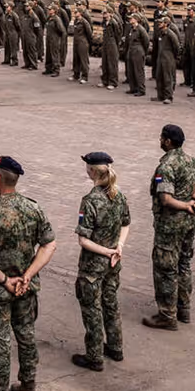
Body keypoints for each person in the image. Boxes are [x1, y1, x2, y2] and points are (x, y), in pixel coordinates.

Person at [0, 156, 56, 391]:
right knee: (27, 335)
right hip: (26, 288)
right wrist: (28, 275)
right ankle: (28, 389)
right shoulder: (33, 208)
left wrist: (7, 281)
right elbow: (49, 244)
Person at [71, 152, 130, 372]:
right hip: (113, 263)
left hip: (93, 266)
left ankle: (94, 356)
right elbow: (126, 224)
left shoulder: (90, 201)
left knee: (92, 309)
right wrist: (119, 247)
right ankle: (115, 347)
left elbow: (83, 240)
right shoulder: (118, 195)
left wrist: (106, 251)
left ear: (92, 171)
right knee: (111, 303)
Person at [143, 124, 195, 330]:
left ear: (168, 141)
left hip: (170, 226)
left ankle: (167, 315)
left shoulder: (166, 167)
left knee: (166, 269)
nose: (160, 140)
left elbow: (166, 199)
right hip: (189, 224)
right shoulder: (190, 160)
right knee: (184, 264)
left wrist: (185, 205)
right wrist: (194, 200)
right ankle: (183, 308)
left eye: (162, 138)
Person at [154, 16, 180, 103]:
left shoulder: (170, 34)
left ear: (166, 24)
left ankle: (168, 97)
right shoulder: (160, 33)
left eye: (161, 23)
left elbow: (177, 47)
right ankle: (160, 96)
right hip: (160, 58)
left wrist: (174, 57)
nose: (159, 24)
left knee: (167, 77)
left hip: (168, 58)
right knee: (159, 76)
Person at [124, 14, 149, 97]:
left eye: (131, 18)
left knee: (138, 71)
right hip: (131, 51)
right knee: (131, 71)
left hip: (138, 51)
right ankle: (133, 88)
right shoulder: (131, 29)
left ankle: (141, 89)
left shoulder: (141, 29)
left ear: (136, 19)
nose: (130, 20)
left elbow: (146, 41)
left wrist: (143, 52)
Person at [101, 7, 122, 91]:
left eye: (105, 13)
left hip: (112, 43)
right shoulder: (104, 22)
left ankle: (113, 82)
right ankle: (105, 80)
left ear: (110, 13)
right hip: (105, 43)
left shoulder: (114, 23)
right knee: (105, 62)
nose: (104, 15)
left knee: (112, 63)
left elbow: (118, 34)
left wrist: (115, 44)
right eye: (103, 13)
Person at [69, 9, 93, 84]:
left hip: (82, 42)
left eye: (76, 12)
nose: (75, 13)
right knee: (76, 59)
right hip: (76, 42)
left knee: (83, 60)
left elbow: (89, 33)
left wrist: (87, 42)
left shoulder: (84, 22)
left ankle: (85, 77)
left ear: (80, 13)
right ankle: (76, 75)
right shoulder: (76, 21)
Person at [43, 4, 65, 76]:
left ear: (54, 10)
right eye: (49, 9)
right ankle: (48, 68)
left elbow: (61, 30)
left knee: (54, 54)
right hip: (49, 38)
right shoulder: (49, 18)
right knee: (48, 54)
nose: (49, 10)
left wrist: (57, 37)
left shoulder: (57, 19)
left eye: (50, 9)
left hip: (54, 38)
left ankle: (56, 70)